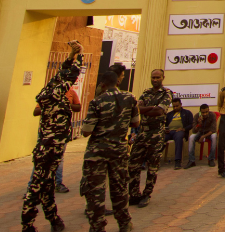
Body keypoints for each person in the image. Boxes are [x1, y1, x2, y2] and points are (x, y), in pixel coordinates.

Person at [22, 41, 83, 232]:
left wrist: (70, 56)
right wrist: (78, 55)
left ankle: (54, 219)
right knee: (36, 188)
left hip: (46, 146)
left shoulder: (47, 92)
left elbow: (62, 74)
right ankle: (28, 225)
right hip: (50, 147)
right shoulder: (57, 93)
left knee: (47, 186)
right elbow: (71, 74)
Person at [80, 71, 138, 232]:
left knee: (95, 191)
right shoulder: (130, 98)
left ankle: (97, 226)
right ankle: (124, 223)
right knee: (119, 188)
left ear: (102, 85)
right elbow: (135, 122)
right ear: (117, 82)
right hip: (119, 150)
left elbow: (86, 131)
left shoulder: (97, 102)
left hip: (97, 153)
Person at [127, 69, 173, 207]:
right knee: (133, 164)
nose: (155, 80)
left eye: (158, 77)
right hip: (142, 132)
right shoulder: (146, 92)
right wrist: (151, 108)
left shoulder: (167, 93)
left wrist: (145, 109)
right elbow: (137, 109)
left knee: (152, 167)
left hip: (156, 133)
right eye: (153, 77)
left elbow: (160, 111)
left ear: (163, 78)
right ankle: (134, 194)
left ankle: (147, 194)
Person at [28, 86, 81, 193]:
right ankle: (33, 186)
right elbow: (36, 111)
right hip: (46, 133)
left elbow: (78, 107)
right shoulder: (48, 94)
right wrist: (51, 106)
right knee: (41, 158)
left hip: (62, 132)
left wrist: (66, 105)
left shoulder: (71, 92)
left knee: (59, 158)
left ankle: (57, 183)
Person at [164, 97, 193, 169]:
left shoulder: (187, 113)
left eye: (177, 106)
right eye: (174, 106)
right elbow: (164, 124)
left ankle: (177, 161)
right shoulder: (169, 114)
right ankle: (155, 159)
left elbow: (191, 124)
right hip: (169, 132)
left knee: (179, 138)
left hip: (179, 131)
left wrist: (183, 129)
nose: (175, 108)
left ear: (181, 104)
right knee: (160, 138)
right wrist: (165, 129)